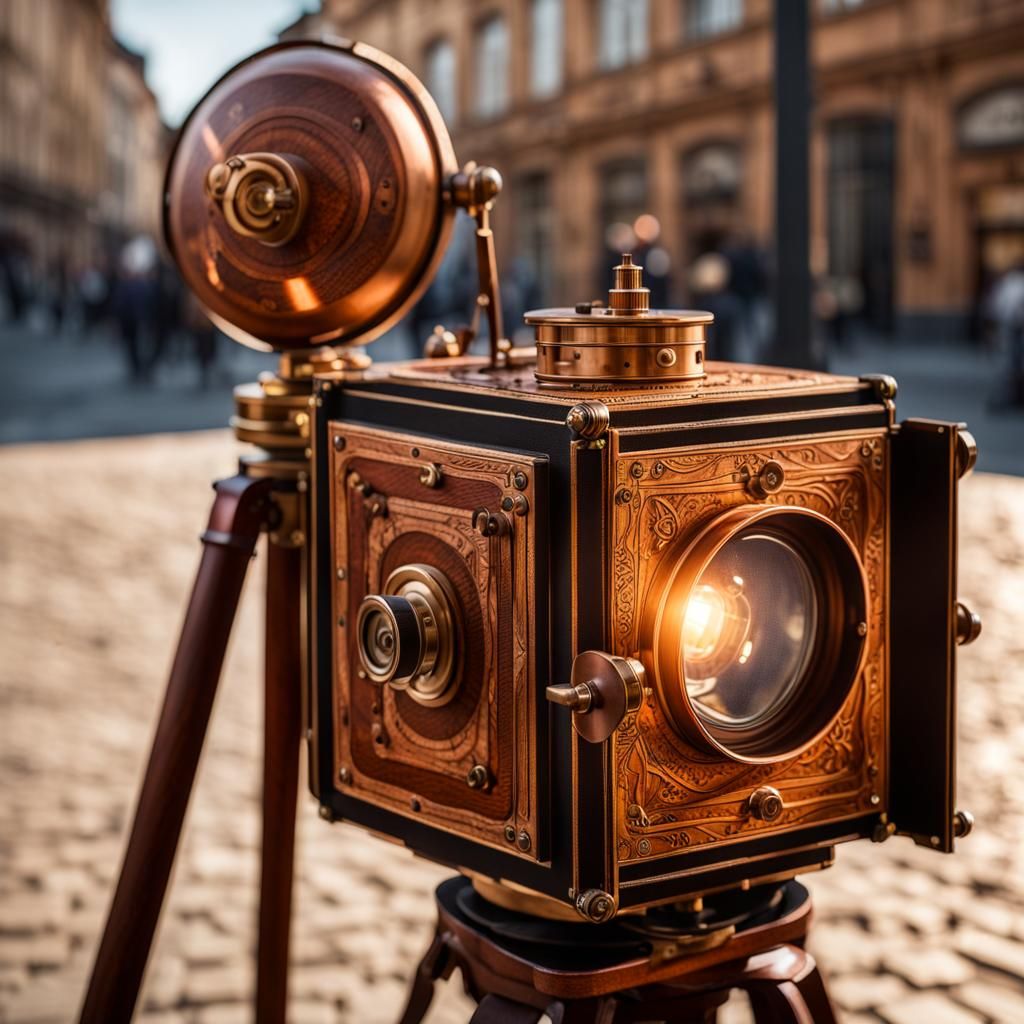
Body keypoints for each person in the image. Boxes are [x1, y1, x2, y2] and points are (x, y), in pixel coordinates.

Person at [985, 262, 1024, 409]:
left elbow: (996, 306)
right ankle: (1008, 397)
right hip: (1013, 326)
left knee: (1007, 363)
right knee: (1009, 364)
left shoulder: (1008, 283)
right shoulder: (1015, 283)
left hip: (1007, 325)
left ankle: (1008, 396)